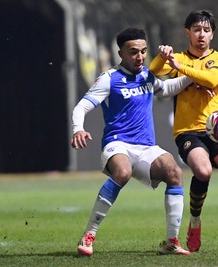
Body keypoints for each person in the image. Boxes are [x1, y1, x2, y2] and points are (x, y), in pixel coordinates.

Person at [71, 27, 193, 256]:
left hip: (146, 147)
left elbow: (165, 89)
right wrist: (78, 128)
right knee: (123, 172)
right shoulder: (109, 79)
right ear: (121, 54)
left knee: (175, 172)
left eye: (143, 51)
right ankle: (89, 234)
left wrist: (193, 76)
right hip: (117, 145)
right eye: (134, 52)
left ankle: (171, 242)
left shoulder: (147, 75)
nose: (140, 57)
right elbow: (82, 106)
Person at [150, 10, 218, 253]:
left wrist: (181, 68)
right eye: (196, 29)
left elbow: (212, 80)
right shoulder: (178, 58)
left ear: (212, 34)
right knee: (202, 171)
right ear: (187, 33)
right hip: (188, 130)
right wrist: (163, 57)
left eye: (206, 30)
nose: (201, 34)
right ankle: (194, 223)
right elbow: (153, 72)